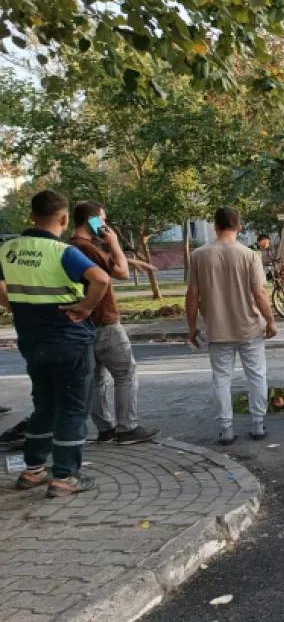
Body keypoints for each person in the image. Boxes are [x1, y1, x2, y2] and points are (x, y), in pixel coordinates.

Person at [0, 190, 111, 496]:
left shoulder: (8, 250)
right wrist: (86, 308)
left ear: (32, 216)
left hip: (32, 341)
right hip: (68, 340)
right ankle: (66, 475)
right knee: (73, 408)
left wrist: (18, 305)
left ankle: (33, 471)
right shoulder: (61, 251)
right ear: (64, 219)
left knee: (44, 405)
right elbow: (101, 279)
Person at [69, 201, 159, 445]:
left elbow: (107, 264)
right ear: (91, 221)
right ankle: (127, 428)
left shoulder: (70, 246)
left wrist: (130, 261)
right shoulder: (87, 247)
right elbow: (120, 273)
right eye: (102, 220)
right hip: (104, 322)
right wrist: (115, 244)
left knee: (96, 379)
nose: (105, 225)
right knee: (125, 373)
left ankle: (105, 428)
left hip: (83, 325)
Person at [186, 207, 278, 445]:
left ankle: (226, 429)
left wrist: (192, 326)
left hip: (218, 329)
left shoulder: (199, 255)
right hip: (249, 328)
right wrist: (270, 320)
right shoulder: (249, 255)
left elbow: (192, 295)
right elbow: (259, 294)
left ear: (215, 226)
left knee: (221, 379)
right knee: (257, 376)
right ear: (239, 227)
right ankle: (258, 425)